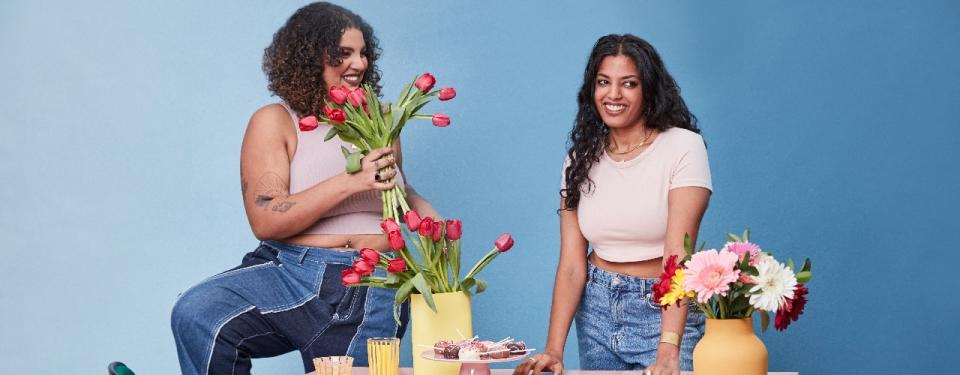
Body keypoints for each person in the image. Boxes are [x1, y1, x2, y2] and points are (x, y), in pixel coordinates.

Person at [170, 3, 440, 374]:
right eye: (343, 54)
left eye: (363, 54)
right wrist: (351, 180)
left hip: (370, 282)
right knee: (200, 312)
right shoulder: (275, 121)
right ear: (309, 57)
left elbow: (395, 193)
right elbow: (266, 220)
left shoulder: (382, 121)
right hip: (288, 273)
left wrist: (429, 218)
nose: (359, 64)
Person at [515, 34, 712, 375]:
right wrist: (553, 350)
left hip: (661, 311)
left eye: (629, 84)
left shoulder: (683, 147)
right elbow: (573, 265)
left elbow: (678, 256)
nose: (614, 94)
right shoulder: (579, 159)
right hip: (596, 311)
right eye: (604, 82)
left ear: (648, 89)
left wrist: (668, 348)